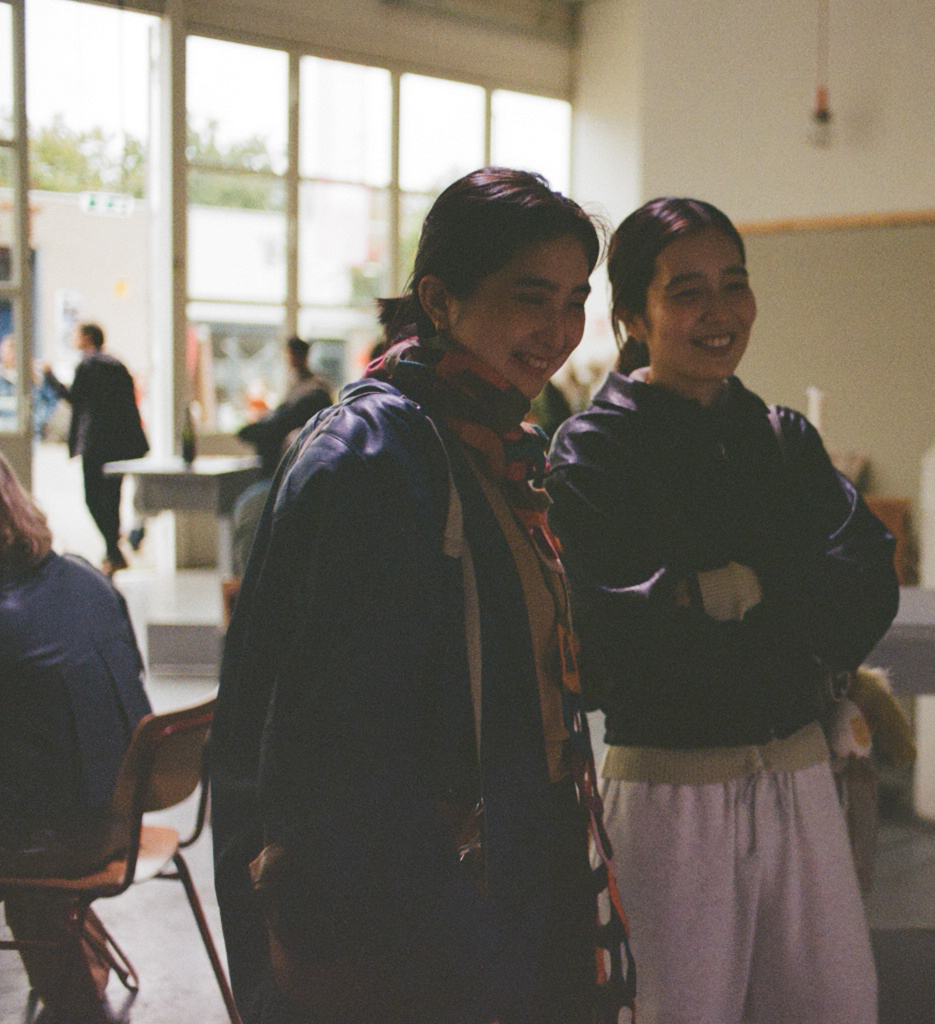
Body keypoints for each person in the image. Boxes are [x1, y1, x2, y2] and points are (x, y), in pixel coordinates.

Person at [208, 167, 634, 1024]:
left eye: (573, 301)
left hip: (508, 851)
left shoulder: (494, 445)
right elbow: (323, 730)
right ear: (439, 300)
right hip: (410, 893)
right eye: (529, 297)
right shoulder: (372, 457)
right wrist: (325, 925)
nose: (558, 331)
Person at [544, 196, 900, 1024]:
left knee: (834, 1005)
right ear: (633, 316)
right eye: (687, 291)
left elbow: (864, 582)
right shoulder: (595, 452)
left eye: (733, 284)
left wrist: (718, 592)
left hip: (800, 777)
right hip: (669, 796)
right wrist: (768, 593)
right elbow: (606, 635)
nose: (719, 311)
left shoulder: (782, 439)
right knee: (675, 1010)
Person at [0, 450, 152, 1023]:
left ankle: (76, 998)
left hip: (55, 840)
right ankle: (80, 962)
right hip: (123, 814)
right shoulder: (87, 577)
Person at [41, 323, 149, 575]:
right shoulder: (117, 364)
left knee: (92, 499)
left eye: (77, 335)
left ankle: (113, 551)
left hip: (96, 444)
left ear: (88, 338)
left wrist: (49, 377)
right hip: (121, 445)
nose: (74, 339)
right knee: (112, 499)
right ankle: (113, 552)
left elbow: (73, 398)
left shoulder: (88, 365)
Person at [225, 336, 335, 573]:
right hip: (289, 473)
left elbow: (280, 425)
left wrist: (253, 430)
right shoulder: (303, 389)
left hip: (291, 474)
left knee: (248, 510)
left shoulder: (313, 393)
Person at [236, 336, 334, 479]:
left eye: (293, 355)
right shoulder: (297, 385)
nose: (290, 360)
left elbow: (290, 418)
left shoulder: (315, 389)